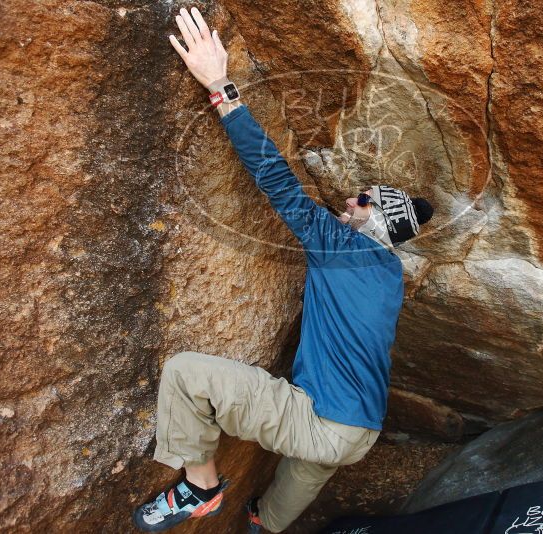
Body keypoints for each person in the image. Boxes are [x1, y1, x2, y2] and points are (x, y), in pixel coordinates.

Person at [131, 6, 435, 533]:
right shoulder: (390, 274)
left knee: (183, 374)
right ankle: (262, 526)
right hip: (361, 430)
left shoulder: (343, 246)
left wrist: (221, 87)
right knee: (288, 494)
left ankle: (200, 488)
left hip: (321, 421)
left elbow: (278, 180)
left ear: (379, 216)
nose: (348, 201)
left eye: (363, 199)